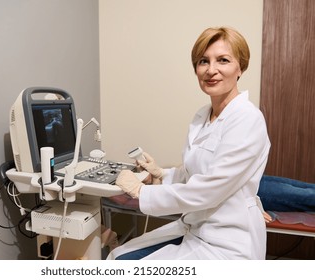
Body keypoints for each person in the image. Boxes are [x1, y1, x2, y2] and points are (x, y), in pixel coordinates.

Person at [108, 26, 271, 260]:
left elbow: (209, 190)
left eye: (223, 60)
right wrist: (161, 175)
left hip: (227, 242)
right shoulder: (202, 117)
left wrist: (141, 192)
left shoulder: (247, 119)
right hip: (195, 228)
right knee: (118, 255)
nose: (211, 70)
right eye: (203, 61)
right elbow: (195, 173)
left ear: (240, 67)